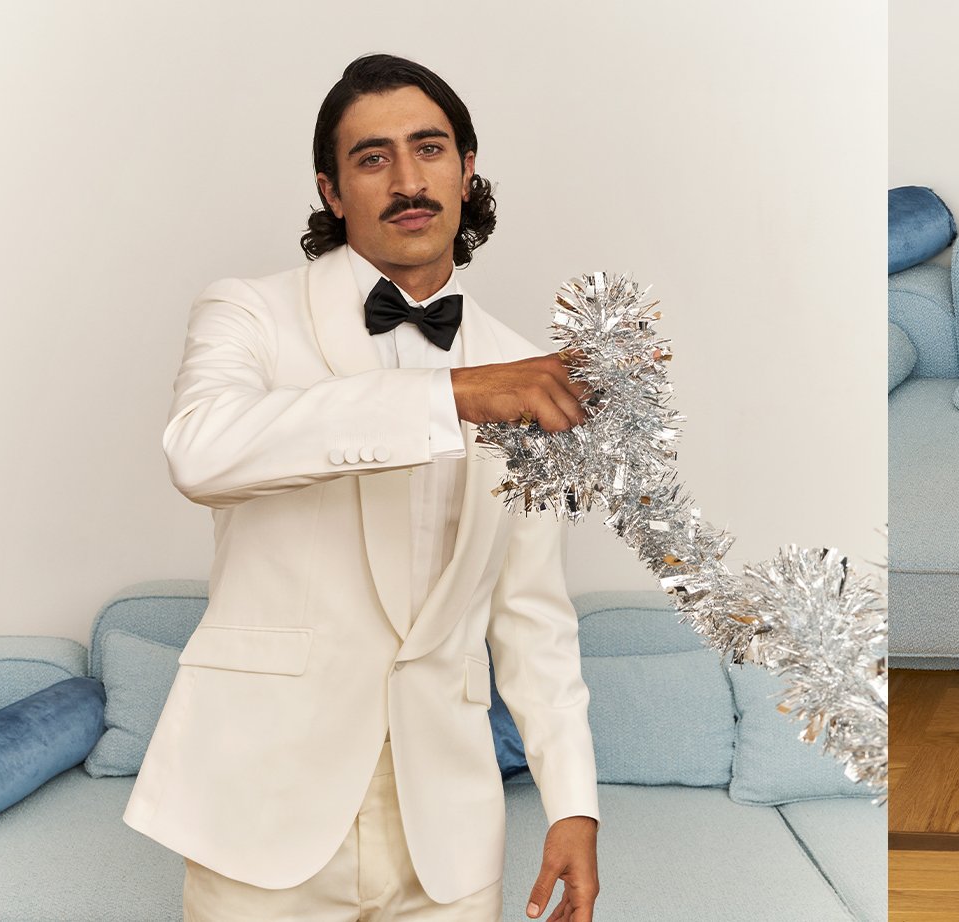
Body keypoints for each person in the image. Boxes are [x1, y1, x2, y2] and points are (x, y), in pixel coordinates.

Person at [127, 54, 600, 921]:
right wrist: (448, 396)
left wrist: (573, 802)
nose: (408, 179)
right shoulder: (248, 313)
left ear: (466, 170)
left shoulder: (520, 363)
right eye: (373, 157)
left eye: (429, 148)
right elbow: (199, 453)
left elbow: (533, 613)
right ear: (332, 190)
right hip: (262, 810)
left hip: (448, 832)